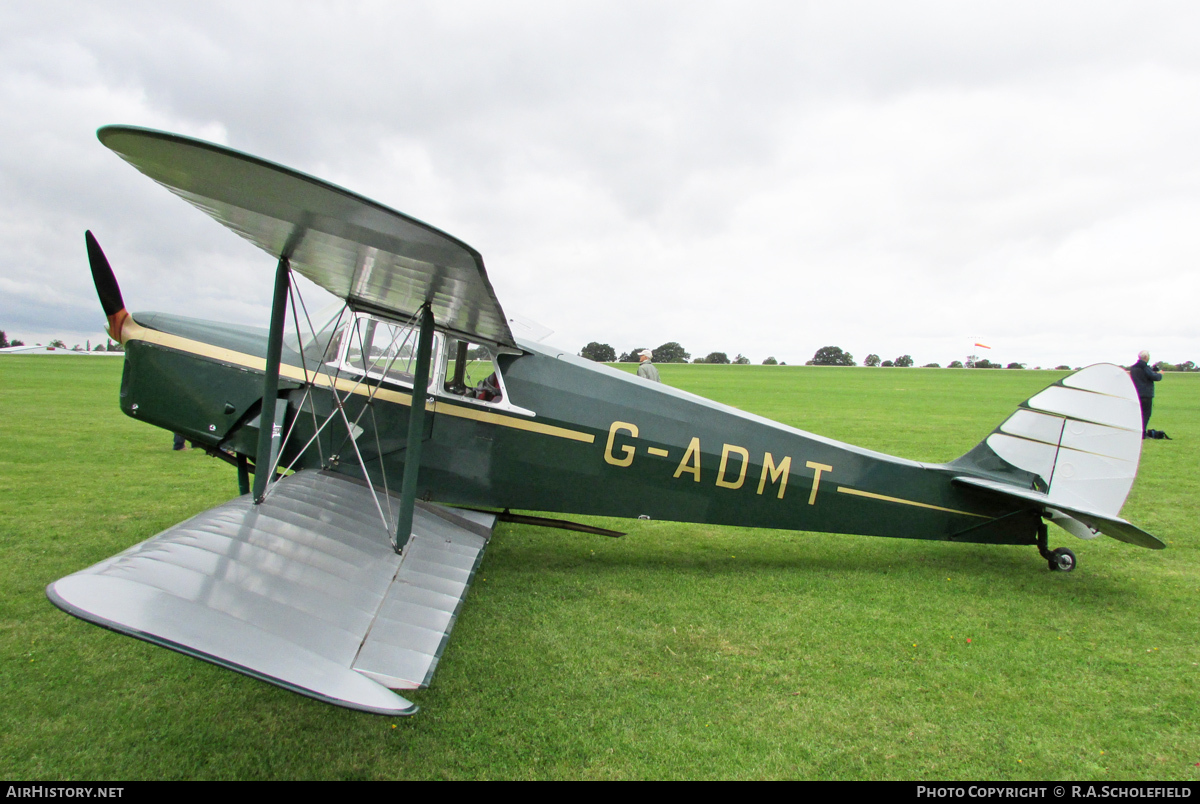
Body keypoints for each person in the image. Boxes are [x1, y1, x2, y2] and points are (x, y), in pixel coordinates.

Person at [1129, 350, 1162, 438]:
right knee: (1146, 414)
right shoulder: (1144, 367)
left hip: (1136, 393)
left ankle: (1136, 431)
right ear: (1146, 357)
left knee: (1138, 414)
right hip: (1146, 394)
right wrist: (1160, 374)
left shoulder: (1133, 368)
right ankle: (1142, 433)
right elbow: (1154, 377)